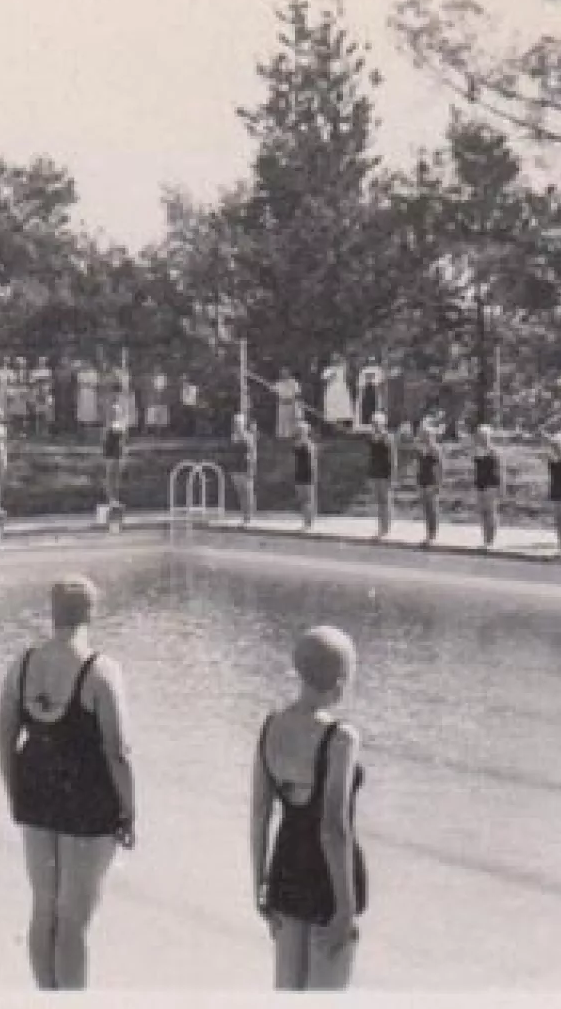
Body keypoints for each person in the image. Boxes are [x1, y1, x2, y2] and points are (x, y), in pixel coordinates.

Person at [0, 576, 135, 990]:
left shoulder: (22, 665)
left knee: (43, 909)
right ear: (91, 614)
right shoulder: (100, 671)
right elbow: (118, 751)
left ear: (51, 613)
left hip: (36, 794)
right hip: (88, 803)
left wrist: (14, 793)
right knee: (75, 919)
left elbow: (3, 736)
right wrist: (129, 809)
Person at [249, 626, 366, 991]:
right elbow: (333, 827)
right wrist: (345, 909)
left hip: (284, 870)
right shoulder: (341, 737)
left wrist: (259, 885)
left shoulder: (271, 726)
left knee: (286, 989)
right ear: (342, 679)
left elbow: (259, 814)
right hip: (328, 880)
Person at [471, 425, 502, 549]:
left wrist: (500, 486)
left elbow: (499, 469)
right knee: (483, 512)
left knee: (490, 511)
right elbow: (477, 467)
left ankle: (491, 541)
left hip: (491, 483)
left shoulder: (493, 451)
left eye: (483, 435)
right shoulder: (477, 451)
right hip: (480, 483)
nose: (481, 438)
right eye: (479, 435)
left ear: (489, 436)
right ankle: (485, 540)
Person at [365, 415, 395, 539]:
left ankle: (386, 527)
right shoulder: (372, 437)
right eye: (373, 423)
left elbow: (393, 457)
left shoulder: (387, 437)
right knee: (379, 501)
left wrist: (393, 475)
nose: (374, 425)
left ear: (383, 424)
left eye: (377, 423)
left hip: (385, 472)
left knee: (385, 500)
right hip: (375, 471)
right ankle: (381, 527)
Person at [225, 414, 257, 525]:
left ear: (243, 424)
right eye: (236, 423)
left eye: (239, 423)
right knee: (240, 494)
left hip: (246, 467)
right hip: (236, 468)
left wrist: (252, 468)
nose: (237, 425)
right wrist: (231, 470)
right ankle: (244, 516)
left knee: (248, 493)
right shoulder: (233, 437)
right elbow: (230, 454)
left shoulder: (248, 437)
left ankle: (249, 516)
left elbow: (253, 453)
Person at [415, 423, 444, 547]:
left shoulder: (435, 449)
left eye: (426, 434)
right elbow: (418, 465)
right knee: (426, 510)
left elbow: (440, 467)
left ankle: (433, 534)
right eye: (423, 434)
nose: (424, 436)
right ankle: (428, 534)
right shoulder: (421, 449)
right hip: (422, 481)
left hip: (432, 481)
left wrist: (439, 484)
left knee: (432, 509)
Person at [291, 422, 317, 529]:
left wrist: (314, 474)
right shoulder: (297, 444)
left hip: (308, 473)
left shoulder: (310, 444)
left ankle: (309, 522)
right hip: (299, 473)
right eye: (299, 431)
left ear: (306, 432)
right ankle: (305, 521)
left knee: (308, 499)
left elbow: (313, 461)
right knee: (302, 499)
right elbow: (294, 451)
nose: (300, 433)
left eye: (302, 431)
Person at [101, 404, 128, 506]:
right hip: (110, 454)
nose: (116, 414)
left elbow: (123, 441)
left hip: (119, 453)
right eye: (114, 412)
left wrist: (123, 454)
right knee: (109, 477)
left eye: (117, 412)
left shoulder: (122, 425)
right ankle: (110, 498)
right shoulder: (108, 426)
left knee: (117, 478)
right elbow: (105, 442)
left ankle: (115, 498)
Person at [320, 355, 354, 431]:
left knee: (342, 408)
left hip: (341, 389)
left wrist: (344, 363)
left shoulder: (342, 368)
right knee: (332, 409)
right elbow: (323, 379)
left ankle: (342, 426)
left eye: (337, 359)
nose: (335, 361)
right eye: (334, 359)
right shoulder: (328, 369)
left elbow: (348, 375)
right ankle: (333, 428)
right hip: (332, 389)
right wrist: (331, 375)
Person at [355, 360, 385, 431]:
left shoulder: (378, 369)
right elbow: (360, 383)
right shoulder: (364, 370)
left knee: (375, 406)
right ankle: (365, 422)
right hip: (366, 389)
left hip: (374, 389)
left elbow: (381, 381)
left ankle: (374, 423)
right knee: (366, 406)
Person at [274, 370, 302, 440]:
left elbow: (297, 393)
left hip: (292, 404)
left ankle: (294, 436)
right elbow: (275, 393)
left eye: (285, 372)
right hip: (282, 405)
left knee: (293, 421)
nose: (284, 374)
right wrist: (281, 399)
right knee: (282, 421)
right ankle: (283, 437)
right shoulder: (278, 383)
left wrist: (291, 399)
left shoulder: (294, 382)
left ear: (289, 373)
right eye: (283, 373)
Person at [76, 361, 101, 434]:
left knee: (90, 410)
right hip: (83, 393)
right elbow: (79, 383)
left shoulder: (93, 373)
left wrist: (87, 383)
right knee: (82, 410)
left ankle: (90, 429)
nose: (86, 365)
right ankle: (83, 429)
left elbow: (94, 383)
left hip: (91, 393)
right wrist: (86, 384)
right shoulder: (80, 373)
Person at [145, 368, 169, 435]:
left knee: (161, 418)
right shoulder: (151, 378)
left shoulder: (163, 377)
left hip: (161, 401)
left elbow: (163, 388)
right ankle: (152, 431)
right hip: (153, 401)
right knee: (152, 417)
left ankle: (159, 431)